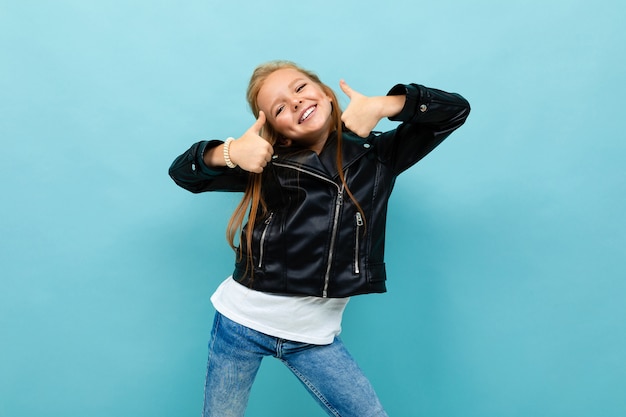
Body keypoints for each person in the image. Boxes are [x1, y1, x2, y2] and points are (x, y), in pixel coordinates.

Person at [169, 60, 470, 417]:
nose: (295, 102)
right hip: (240, 324)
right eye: (279, 107)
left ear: (326, 94)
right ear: (279, 134)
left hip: (312, 338)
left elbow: (455, 111)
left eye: (299, 88)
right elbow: (183, 173)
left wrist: (386, 105)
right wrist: (230, 152)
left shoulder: (380, 156)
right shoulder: (268, 166)